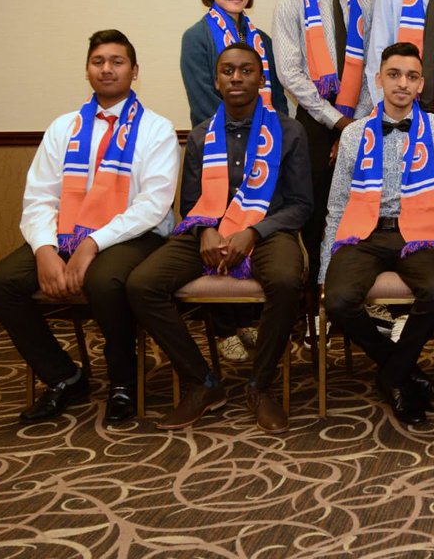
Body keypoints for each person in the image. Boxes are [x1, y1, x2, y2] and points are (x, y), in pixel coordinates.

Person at [0, 30, 178, 425]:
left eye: (117, 62)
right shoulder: (64, 128)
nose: (107, 69)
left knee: (103, 280)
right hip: (65, 234)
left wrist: (92, 244)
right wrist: (44, 249)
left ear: (134, 71)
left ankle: (124, 379)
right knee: (0, 282)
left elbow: (152, 206)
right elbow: (40, 196)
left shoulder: (156, 128)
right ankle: (64, 377)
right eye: (98, 61)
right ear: (87, 70)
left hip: (134, 236)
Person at [127, 43, 310, 434]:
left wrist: (254, 232)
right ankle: (202, 382)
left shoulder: (289, 131)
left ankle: (261, 385)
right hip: (209, 230)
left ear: (261, 79)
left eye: (246, 70)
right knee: (142, 285)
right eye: (228, 71)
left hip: (270, 229)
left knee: (285, 280)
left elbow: (300, 205)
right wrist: (205, 230)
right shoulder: (200, 136)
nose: (237, 78)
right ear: (216, 81)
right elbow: (189, 204)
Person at [321, 42, 434, 426]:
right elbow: (337, 203)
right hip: (362, 234)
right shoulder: (354, 134)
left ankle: (392, 375)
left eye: (411, 77)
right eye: (394, 75)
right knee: (339, 300)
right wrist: (324, 268)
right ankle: (402, 369)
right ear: (379, 79)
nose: (402, 83)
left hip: (420, 233)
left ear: (421, 84)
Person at [181, 0, 281, 361]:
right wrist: (238, 136)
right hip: (220, 151)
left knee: (252, 231)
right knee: (220, 232)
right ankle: (222, 327)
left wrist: (277, 139)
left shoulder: (262, 39)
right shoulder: (197, 36)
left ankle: (247, 319)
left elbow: (277, 101)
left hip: (264, 151)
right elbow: (203, 97)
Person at [273, 0, 375, 291]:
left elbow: (374, 68)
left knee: (357, 206)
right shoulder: (291, 2)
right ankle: (312, 297)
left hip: (360, 120)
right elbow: (289, 72)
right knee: (315, 211)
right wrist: (336, 122)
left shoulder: (365, 1)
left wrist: (357, 122)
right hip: (314, 123)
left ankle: (351, 292)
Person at [181, 0, 287, 126]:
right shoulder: (195, 37)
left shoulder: (263, 40)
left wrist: (278, 129)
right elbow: (203, 102)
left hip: (268, 132)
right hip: (216, 134)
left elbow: (278, 98)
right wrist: (245, 131)